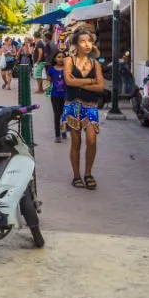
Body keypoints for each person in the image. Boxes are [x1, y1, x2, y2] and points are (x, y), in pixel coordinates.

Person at [63, 29, 104, 190]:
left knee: (91, 140)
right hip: (72, 105)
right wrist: (90, 81)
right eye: (83, 41)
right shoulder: (69, 61)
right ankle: (76, 175)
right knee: (76, 142)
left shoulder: (96, 63)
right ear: (76, 44)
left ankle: (88, 173)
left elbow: (100, 86)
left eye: (89, 41)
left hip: (90, 106)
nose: (87, 44)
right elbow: (68, 81)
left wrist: (79, 81)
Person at [46, 50, 68, 143]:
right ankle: (57, 135)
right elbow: (48, 80)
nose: (61, 59)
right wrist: (47, 86)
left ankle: (63, 131)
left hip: (66, 95)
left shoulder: (68, 68)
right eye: (59, 57)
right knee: (57, 114)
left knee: (64, 114)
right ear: (55, 59)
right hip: (55, 95)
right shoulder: (51, 69)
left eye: (63, 57)